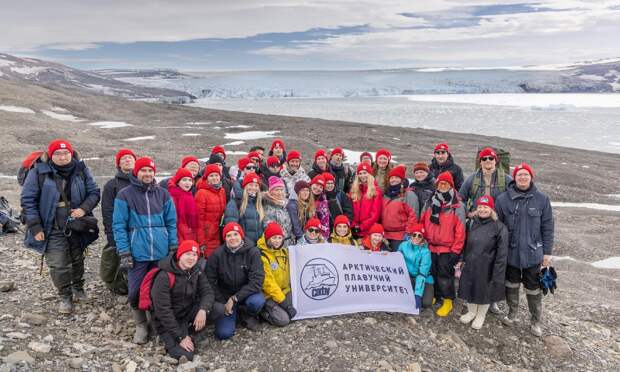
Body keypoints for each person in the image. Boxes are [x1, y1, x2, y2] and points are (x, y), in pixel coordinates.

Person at [21, 139, 101, 314]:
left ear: (71, 154)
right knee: (58, 264)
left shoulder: (81, 169)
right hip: (51, 226)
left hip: (76, 224)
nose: (63, 156)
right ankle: (65, 296)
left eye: (66, 153)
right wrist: (35, 227)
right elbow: (28, 200)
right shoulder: (39, 172)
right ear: (51, 155)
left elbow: (94, 192)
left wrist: (83, 209)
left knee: (77, 258)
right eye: (58, 153)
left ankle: (78, 287)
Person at [113, 156, 178, 344]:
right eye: (143, 170)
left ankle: (157, 323)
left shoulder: (163, 194)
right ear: (136, 172)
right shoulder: (125, 195)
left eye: (150, 171)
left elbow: (172, 222)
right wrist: (124, 251)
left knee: (158, 291)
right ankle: (141, 324)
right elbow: (118, 225)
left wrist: (173, 245)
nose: (147, 174)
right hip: (137, 252)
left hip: (160, 251)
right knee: (134, 291)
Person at [495, 163, 554, 337]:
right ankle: (512, 312)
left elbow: (548, 227)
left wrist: (547, 253)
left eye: (525, 175)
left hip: (533, 253)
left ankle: (535, 320)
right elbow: (497, 227)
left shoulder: (542, 199)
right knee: (511, 284)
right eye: (519, 174)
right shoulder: (503, 199)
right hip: (510, 253)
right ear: (514, 177)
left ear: (531, 177)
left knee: (533, 288)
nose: (522, 177)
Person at [151, 240, 215, 361]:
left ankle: (189, 333)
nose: (191, 258)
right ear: (180, 255)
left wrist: (203, 310)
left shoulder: (196, 270)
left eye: (195, 255)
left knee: (218, 309)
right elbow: (163, 311)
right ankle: (177, 336)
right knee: (187, 355)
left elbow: (208, 292)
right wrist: (181, 336)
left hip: (186, 314)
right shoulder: (164, 276)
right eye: (188, 254)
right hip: (167, 321)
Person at [205, 223, 265, 339]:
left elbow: (257, 281)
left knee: (257, 301)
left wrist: (235, 298)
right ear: (225, 238)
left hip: (246, 294)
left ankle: (246, 314)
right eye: (228, 235)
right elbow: (209, 281)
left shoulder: (253, 252)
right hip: (225, 297)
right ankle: (233, 315)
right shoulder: (217, 255)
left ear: (241, 235)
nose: (232, 238)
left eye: (235, 234)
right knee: (223, 334)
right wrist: (223, 301)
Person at [457, 196, 508, 330]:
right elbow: (464, 243)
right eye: (480, 207)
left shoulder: (499, 227)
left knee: (484, 291)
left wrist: (498, 271)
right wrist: (461, 259)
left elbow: (502, 252)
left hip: (488, 266)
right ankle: (472, 311)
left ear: (491, 209)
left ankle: (481, 315)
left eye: (486, 207)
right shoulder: (471, 223)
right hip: (470, 262)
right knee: (469, 288)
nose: (482, 210)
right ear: (476, 208)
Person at [420, 171, 465, 317]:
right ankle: (436, 296)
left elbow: (460, 230)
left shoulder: (457, 206)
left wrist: (456, 251)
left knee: (445, 276)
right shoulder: (430, 202)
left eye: (446, 183)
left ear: (451, 185)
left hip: (447, 248)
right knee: (432, 273)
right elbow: (422, 221)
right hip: (430, 245)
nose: (443, 185)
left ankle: (448, 300)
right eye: (440, 183)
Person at [100, 148, 136, 294]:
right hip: (121, 230)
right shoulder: (112, 185)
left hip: (139, 230)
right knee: (119, 259)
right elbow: (107, 211)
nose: (127, 160)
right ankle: (117, 285)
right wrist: (111, 234)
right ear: (118, 164)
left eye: (130, 158)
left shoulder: (144, 181)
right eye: (124, 159)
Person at [256, 222, 297, 326]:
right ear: (268, 238)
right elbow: (268, 284)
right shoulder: (263, 256)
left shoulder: (284, 252)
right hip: (270, 295)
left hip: (285, 291)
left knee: (299, 309)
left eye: (279, 238)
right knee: (284, 320)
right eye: (274, 238)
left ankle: (280, 308)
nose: (277, 241)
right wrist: (284, 303)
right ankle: (264, 312)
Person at [460, 147, 512, 215]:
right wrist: (468, 214)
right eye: (484, 159)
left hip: (499, 220)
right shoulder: (472, 179)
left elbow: (514, 199)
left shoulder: (506, 179)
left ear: (495, 161)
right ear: (480, 162)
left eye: (491, 158)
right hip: (477, 220)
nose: (488, 160)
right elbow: (460, 199)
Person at [381, 165, 419, 252]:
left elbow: (413, 215)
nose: (393, 180)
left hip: (400, 236)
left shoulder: (409, 195)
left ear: (402, 179)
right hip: (385, 235)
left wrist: (408, 233)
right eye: (391, 178)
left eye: (396, 177)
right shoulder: (386, 194)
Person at [397, 223, 433, 309]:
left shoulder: (426, 252)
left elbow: (422, 274)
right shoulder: (403, 245)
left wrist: (418, 295)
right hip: (407, 276)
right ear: (411, 235)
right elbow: (396, 261)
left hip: (422, 278)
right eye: (414, 234)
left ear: (422, 238)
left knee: (426, 303)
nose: (416, 237)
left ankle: (419, 292)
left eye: (419, 236)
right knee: (403, 299)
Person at [195, 164, 227, 257]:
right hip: (207, 236)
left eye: (216, 175)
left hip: (218, 233)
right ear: (206, 178)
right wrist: (201, 242)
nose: (214, 178)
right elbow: (198, 220)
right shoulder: (201, 193)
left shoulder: (222, 191)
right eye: (211, 175)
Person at [224, 173, 264, 245]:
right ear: (245, 186)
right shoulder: (235, 203)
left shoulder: (258, 203)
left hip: (258, 247)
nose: (253, 188)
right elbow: (231, 227)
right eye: (250, 185)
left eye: (256, 185)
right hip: (243, 246)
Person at [350, 163, 382, 239]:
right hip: (354, 230)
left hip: (367, 231)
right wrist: (353, 225)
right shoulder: (354, 190)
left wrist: (362, 226)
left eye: (365, 173)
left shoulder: (376, 191)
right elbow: (350, 210)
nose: (362, 175)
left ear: (370, 174)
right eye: (360, 173)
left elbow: (375, 214)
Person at [168, 168, 199, 243]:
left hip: (190, 233)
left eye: (190, 180)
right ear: (178, 182)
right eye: (184, 180)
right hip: (180, 235)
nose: (188, 183)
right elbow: (175, 220)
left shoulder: (189, 195)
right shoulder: (173, 197)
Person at [262, 176, 295, 245]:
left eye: (281, 189)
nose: (280, 192)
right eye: (276, 190)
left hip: (290, 242)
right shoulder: (268, 208)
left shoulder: (287, 205)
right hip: (277, 244)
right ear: (271, 192)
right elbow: (268, 228)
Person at [310, 175, 331, 239]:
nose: (318, 188)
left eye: (321, 187)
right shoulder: (304, 196)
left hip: (317, 233)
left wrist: (324, 236)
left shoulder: (323, 202)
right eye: (316, 185)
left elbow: (325, 221)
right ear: (311, 184)